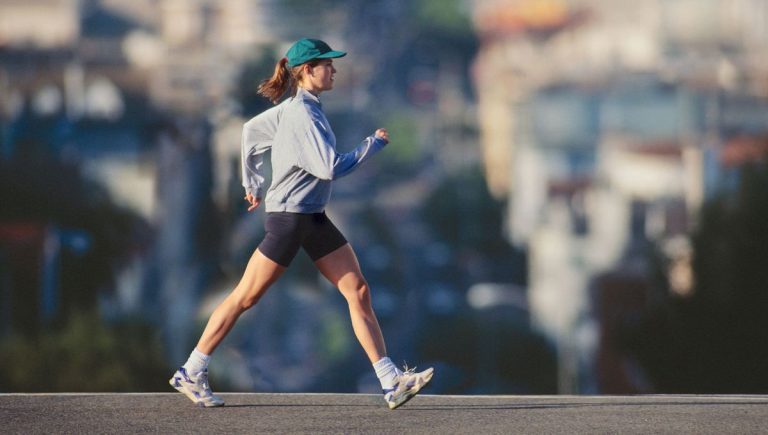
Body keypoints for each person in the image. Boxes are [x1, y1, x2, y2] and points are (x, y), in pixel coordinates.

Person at [169, 38, 433, 410]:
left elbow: (250, 132)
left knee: (357, 291)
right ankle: (192, 370)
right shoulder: (302, 115)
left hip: (313, 217)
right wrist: (371, 145)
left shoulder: (297, 108)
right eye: (327, 64)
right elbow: (329, 167)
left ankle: (391, 382)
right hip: (291, 221)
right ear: (307, 70)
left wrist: (253, 184)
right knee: (245, 296)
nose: (334, 70)